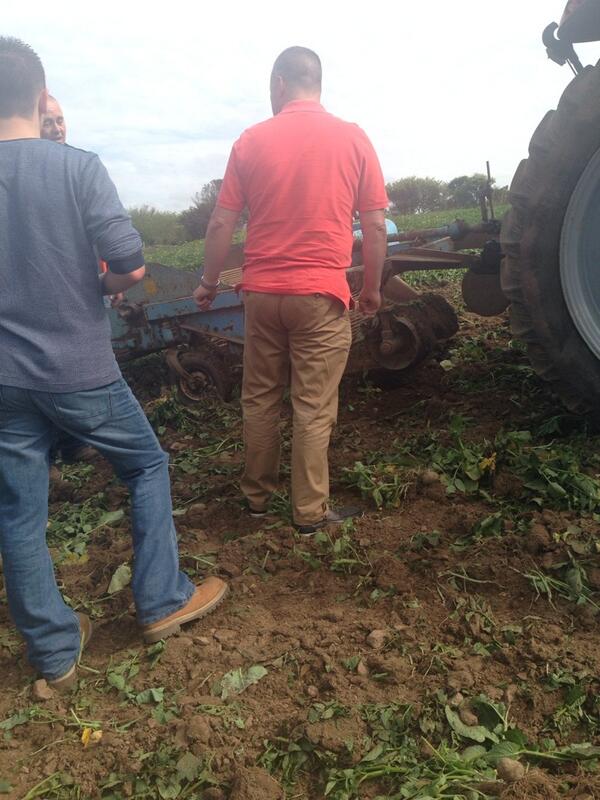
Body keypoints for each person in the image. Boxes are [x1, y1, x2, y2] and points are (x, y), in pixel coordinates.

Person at [0, 37, 228, 690]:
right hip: (79, 367)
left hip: (6, 381)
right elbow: (129, 266)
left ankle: (54, 652)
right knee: (146, 464)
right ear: (41, 98)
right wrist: (94, 289)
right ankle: (161, 600)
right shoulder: (77, 168)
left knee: (18, 514)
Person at [194, 46, 389, 535]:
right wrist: (369, 289)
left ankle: (256, 500)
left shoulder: (250, 141)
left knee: (259, 397)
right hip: (320, 295)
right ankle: (308, 514)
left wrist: (208, 282)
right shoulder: (353, 138)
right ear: (315, 82)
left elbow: (222, 221)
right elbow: (376, 226)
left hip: (261, 295)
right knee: (313, 405)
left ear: (280, 83)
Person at [40, 96, 95, 465]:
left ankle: (72, 441)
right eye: (48, 122)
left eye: (60, 120)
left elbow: (96, 229)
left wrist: (106, 274)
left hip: (75, 287)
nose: (58, 129)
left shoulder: (77, 167)